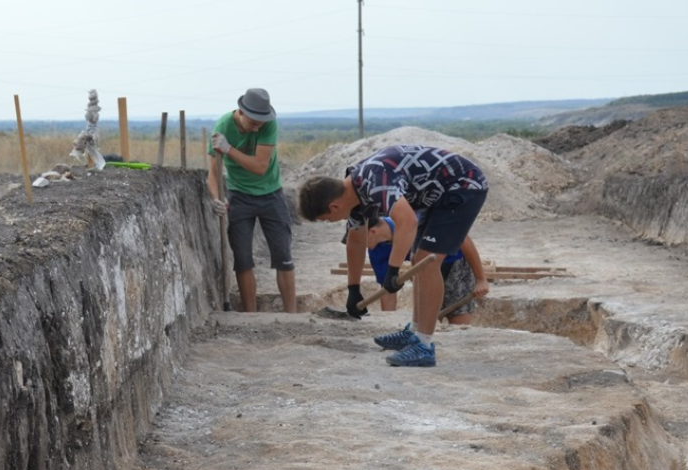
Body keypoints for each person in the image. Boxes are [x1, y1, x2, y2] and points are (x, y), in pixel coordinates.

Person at [298, 144, 490, 367]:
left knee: (428, 262)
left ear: (333, 206)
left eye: (326, 219)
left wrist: (393, 269)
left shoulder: (374, 182)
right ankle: (415, 332)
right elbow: (356, 239)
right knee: (419, 260)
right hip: (438, 193)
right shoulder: (354, 193)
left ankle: (424, 345)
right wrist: (353, 289)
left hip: (464, 185)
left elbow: (407, 221)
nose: (331, 222)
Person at [207, 87, 296, 313]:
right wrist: (216, 199)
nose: (257, 127)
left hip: (271, 194)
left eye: (261, 123)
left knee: (283, 256)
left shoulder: (268, 124)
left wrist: (229, 149)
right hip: (239, 196)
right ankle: (250, 316)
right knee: (243, 259)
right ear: (241, 112)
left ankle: (292, 315)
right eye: (254, 122)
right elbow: (213, 175)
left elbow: (260, 167)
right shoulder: (223, 128)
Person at [362, 214, 488, 323]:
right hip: (424, 269)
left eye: (361, 241)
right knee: (425, 319)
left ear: (372, 232)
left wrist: (481, 279)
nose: (360, 246)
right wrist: (389, 322)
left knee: (458, 317)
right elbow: (388, 289)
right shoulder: (376, 250)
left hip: (454, 263)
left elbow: (463, 238)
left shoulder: (416, 222)